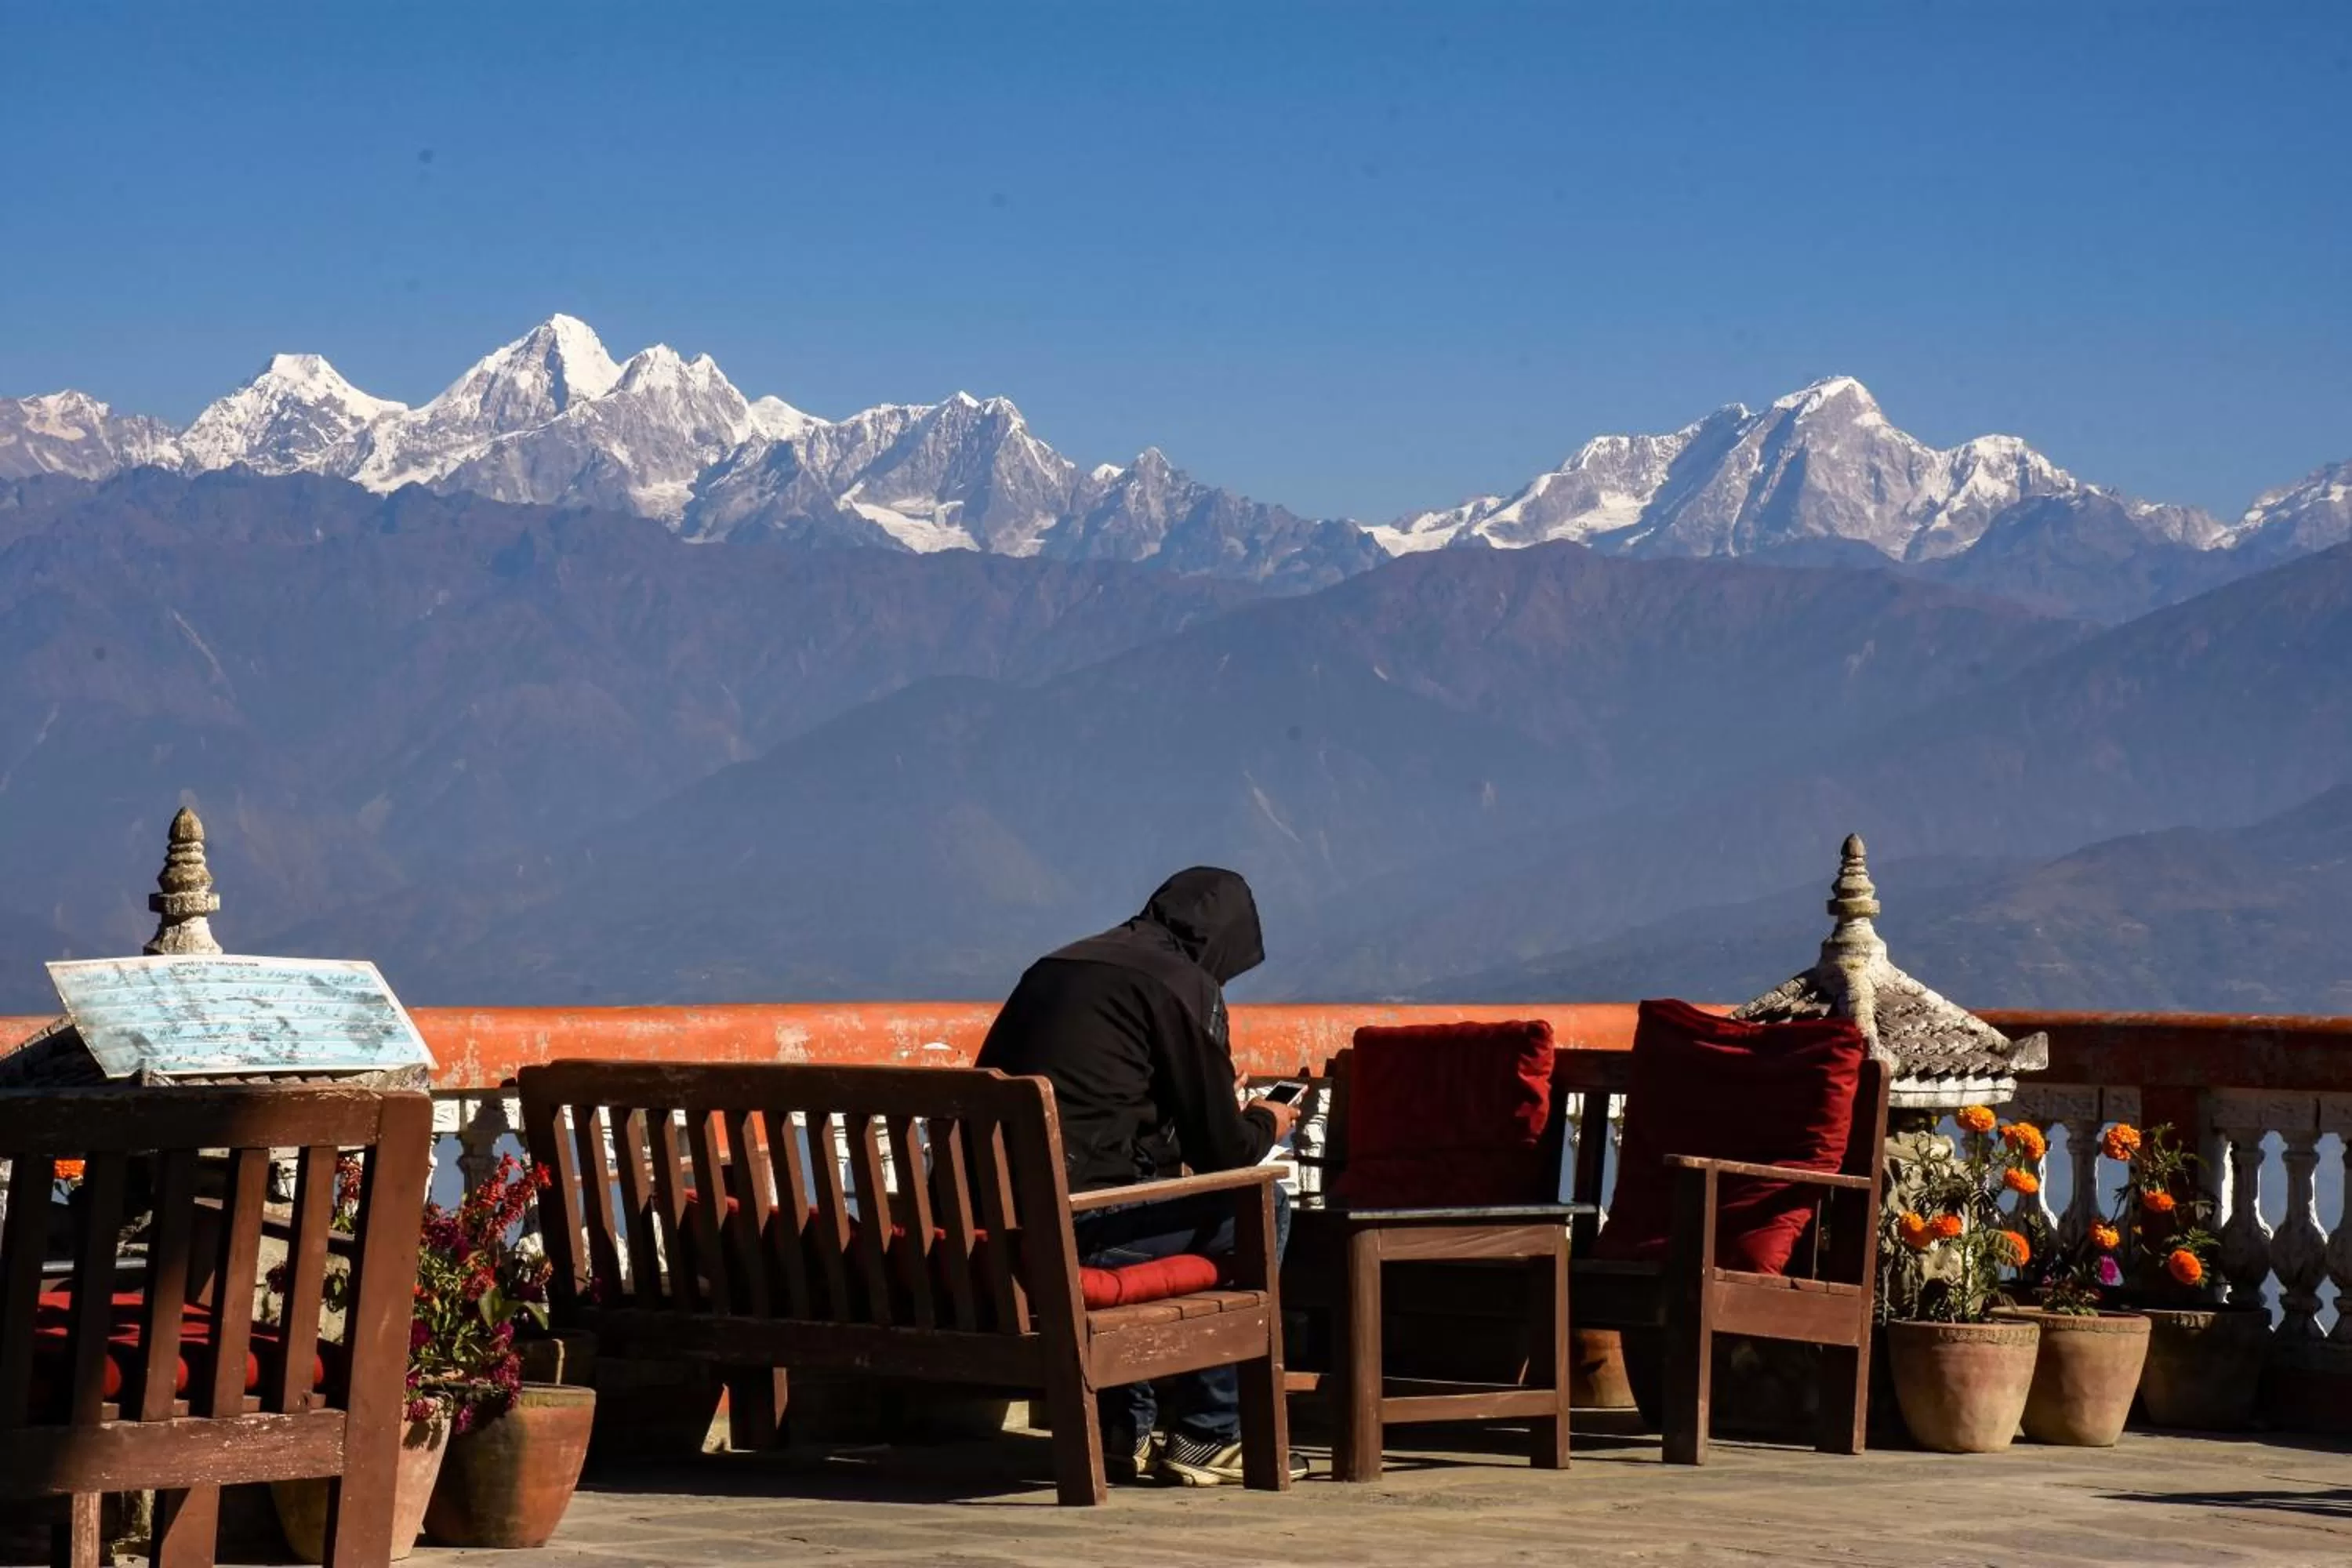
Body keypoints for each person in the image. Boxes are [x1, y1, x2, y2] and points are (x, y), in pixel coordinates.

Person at [976, 866, 1305, 1487]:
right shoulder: (1183, 983)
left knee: (1134, 1200)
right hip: (1081, 1231)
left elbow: (1101, 1106)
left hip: (999, 1220)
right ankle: (1209, 1433)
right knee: (1261, 1207)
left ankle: (1122, 1431)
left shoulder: (1056, 966)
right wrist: (1267, 1119)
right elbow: (1224, 1156)